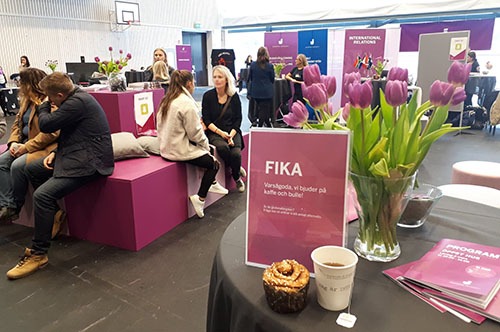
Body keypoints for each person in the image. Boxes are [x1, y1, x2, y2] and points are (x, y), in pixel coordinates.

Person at [6, 72, 114, 280]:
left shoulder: (76, 103)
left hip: (91, 163)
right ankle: (55, 214)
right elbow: (75, 132)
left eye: (49, 97)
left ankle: (39, 254)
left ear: (59, 95)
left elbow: (46, 125)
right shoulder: (76, 99)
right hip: (77, 154)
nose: (48, 101)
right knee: (31, 169)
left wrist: (45, 104)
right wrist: (56, 153)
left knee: (42, 196)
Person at [157, 70, 227, 218]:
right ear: (189, 84)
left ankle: (213, 182)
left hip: (165, 147)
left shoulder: (166, 100)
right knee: (214, 164)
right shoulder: (187, 104)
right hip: (177, 150)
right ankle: (200, 199)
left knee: (208, 152)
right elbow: (195, 133)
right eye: (194, 83)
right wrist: (206, 145)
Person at [0, 68, 59, 224]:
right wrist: (13, 143)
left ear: (29, 84)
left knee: (17, 166)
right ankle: (6, 204)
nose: (19, 85)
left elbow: (51, 133)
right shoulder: (25, 102)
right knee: (2, 163)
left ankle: (15, 206)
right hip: (23, 143)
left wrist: (26, 147)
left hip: (43, 147)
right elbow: (16, 126)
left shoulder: (49, 103)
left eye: (22, 82)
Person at [202, 65, 246, 193]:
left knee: (236, 154)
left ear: (226, 79)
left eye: (220, 77)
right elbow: (207, 120)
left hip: (232, 130)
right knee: (222, 148)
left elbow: (238, 119)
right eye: (214, 77)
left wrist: (231, 135)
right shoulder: (208, 96)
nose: (216, 80)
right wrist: (222, 134)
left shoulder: (234, 96)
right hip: (215, 131)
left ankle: (236, 174)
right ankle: (237, 173)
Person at [248, 46, 275, 127]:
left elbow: (251, 78)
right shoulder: (270, 66)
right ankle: (260, 126)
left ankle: (267, 123)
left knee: (262, 108)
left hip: (256, 92)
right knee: (264, 109)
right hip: (267, 92)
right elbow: (272, 78)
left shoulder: (252, 65)